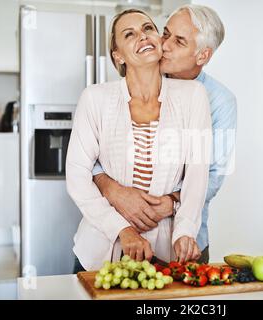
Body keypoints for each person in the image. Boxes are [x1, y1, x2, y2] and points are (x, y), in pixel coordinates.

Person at [66, 9, 212, 272]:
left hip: (165, 254)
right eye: (129, 34)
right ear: (118, 56)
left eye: (148, 28)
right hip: (99, 250)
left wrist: (185, 230)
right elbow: (77, 174)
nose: (143, 36)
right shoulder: (94, 98)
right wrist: (121, 229)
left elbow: (197, 173)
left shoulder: (194, 96)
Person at [92, 5, 237, 264]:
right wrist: (112, 190)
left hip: (183, 244)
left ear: (202, 55)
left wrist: (171, 203)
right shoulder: (138, 71)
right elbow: (90, 154)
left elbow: (213, 175)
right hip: (115, 238)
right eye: (166, 34)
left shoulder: (220, 101)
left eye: (178, 41)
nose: (165, 45)